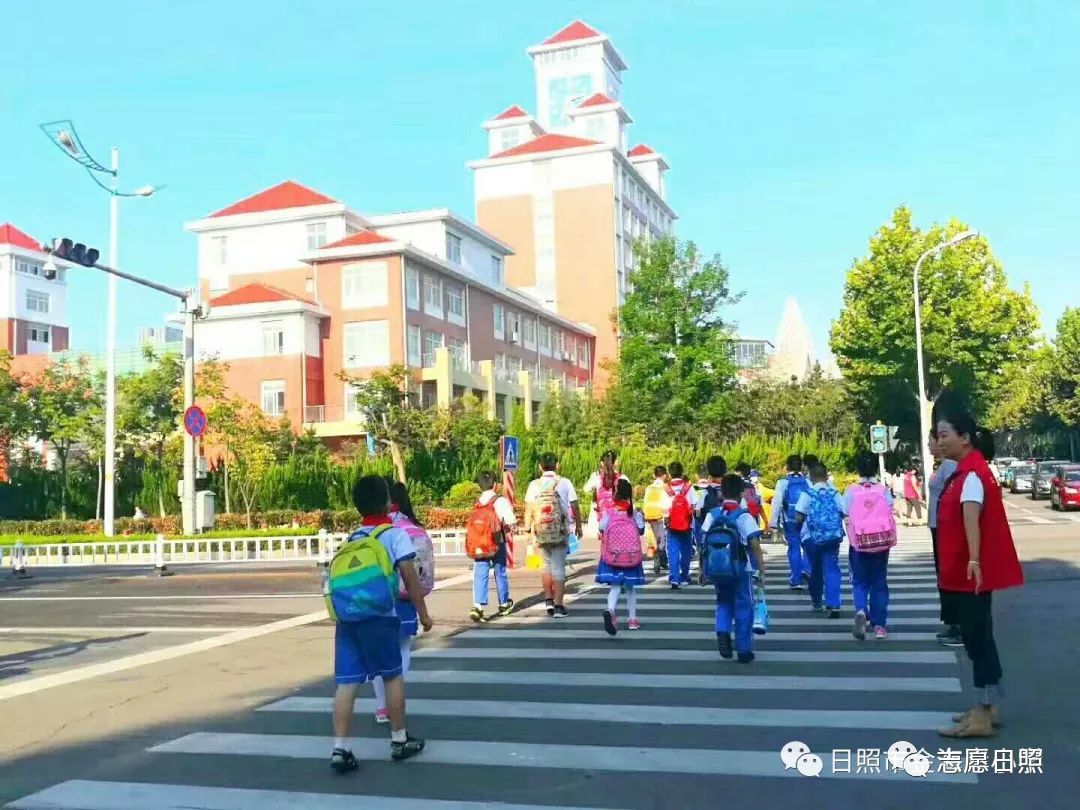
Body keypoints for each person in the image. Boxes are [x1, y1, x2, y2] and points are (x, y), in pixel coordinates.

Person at [328, 475, 432, 773]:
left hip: (349, 620)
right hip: (381, 618)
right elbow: (410, 578)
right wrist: (422, 613)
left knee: (347, 682)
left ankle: (340, 748)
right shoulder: (394, 534)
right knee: (392, 676)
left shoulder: (353, 538)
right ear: (387, 501)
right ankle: (399, 740)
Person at [935, 402, 1023, 739]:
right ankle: (987, 707)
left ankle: (983, 715)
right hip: (966, 572)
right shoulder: (967, 470)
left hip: (968, 574)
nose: (940, 442)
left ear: (965, 438)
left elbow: (972, 520)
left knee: (977, 641)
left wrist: (973, 562)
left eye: (945, 436)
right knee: (980, 639)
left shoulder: (971, 474)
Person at [373, 480, 435, 722]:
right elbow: (412, 577)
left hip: (377, 601)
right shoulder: (409, 529)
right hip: (404, 601)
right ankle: (395, 704)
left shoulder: (376, 530)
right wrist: (424, 612)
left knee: (379, 656)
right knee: (402, 651)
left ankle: (381, 707)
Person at [699, 474, 766, 663]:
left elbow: (703, 544)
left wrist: (702, 570)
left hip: (717, 570)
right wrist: (761, 568)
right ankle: (744, 650)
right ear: (741, 493)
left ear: (722, 492)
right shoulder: (744, 516)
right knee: (744, 607)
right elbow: (754, 544)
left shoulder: (712, 514)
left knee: (723, 603)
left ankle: (722, 633)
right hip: (741, 569)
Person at [843, 453, 896, 640]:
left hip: (859, 543)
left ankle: (860, 610)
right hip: (881, 543)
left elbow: (844, 511)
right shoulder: (883, 490)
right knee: (879, 582)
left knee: (859, 581)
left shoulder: (851, 491)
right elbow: (891, 509)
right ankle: (880, 625)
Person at [524, 452, 583, 617]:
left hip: (541, 532)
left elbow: (529, 509)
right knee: (558, 567)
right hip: (560, 531)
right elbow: (575, 505)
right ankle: (558, 606)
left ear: (539, 467)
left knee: (546, 566)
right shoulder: (565, 483)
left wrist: (528, 530)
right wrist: (578, 526)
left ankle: (548, 601)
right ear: (557, 465)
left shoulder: (534, 485)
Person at [596, 478, 647, 634]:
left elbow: (602, 527)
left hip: (613, 556)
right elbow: (641, 529)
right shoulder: (634, 513)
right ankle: (632, 620)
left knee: (615, 586)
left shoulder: (609, 512)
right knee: (630, 589)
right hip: (631, 557)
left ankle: (610, 610)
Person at [795, 462, 845, 617]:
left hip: (812, 539)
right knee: (832, 568)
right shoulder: (835, 493)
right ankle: (834, 603)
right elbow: (843, 512)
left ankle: (817, 601)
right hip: (832, 538)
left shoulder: (807, 494)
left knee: (815, 570)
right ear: (826, 476)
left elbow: (798, 517)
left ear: (811, 476)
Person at [467, 471, 516, 624]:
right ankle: (503, 603)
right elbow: (510, 521)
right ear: (495, 485)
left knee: (480, 573)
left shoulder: (478, 501)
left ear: (479, 486)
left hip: (478, 543)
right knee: (500, 571)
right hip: (496, 541)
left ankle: (478, 606)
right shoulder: (499, 500)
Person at [928, 431, 962, 647]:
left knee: (948, 577)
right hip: (938, 526)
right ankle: (954, 624)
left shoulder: (949, 465)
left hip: (944, 527)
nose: (931, 444)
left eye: (931, 441)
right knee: (944, 577)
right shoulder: (944, 465)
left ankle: (957, 626)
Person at [770, 455, 811, 590]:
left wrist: (773, 523)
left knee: (793, 548)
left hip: (790, 519)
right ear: (801, 467)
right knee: (806, 546)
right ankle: (806, 569)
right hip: (806, 519)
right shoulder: (808, 482)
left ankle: (796, 579)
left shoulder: (783, 482)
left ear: (787, 467)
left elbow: (776, 503)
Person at [664, 461, 698, 589]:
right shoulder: (689, 487)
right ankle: (684, 577)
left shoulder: (666, 489)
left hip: (671, 525)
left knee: (672, 551)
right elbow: (695, 505)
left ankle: (674, 578)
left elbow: (664, 507)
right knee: (686, 551)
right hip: (687, 524)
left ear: (669, 473)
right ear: (682, 472)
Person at [583, 450, 626, 523]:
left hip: (598, 515)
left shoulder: (596, 476)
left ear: (602, 463)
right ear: (616, 463)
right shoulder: (622, 477)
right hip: (616, 516)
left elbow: (586, 489)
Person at [642, 465, 671, 571]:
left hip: (650, 516)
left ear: (654, 475)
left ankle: (660, 559)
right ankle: (660, 558)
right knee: (662, 539)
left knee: (654, 538)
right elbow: (668, 503)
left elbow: (645, 501)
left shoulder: (649, 488)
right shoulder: (666, 487)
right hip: (661, 515)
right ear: (664, 475)